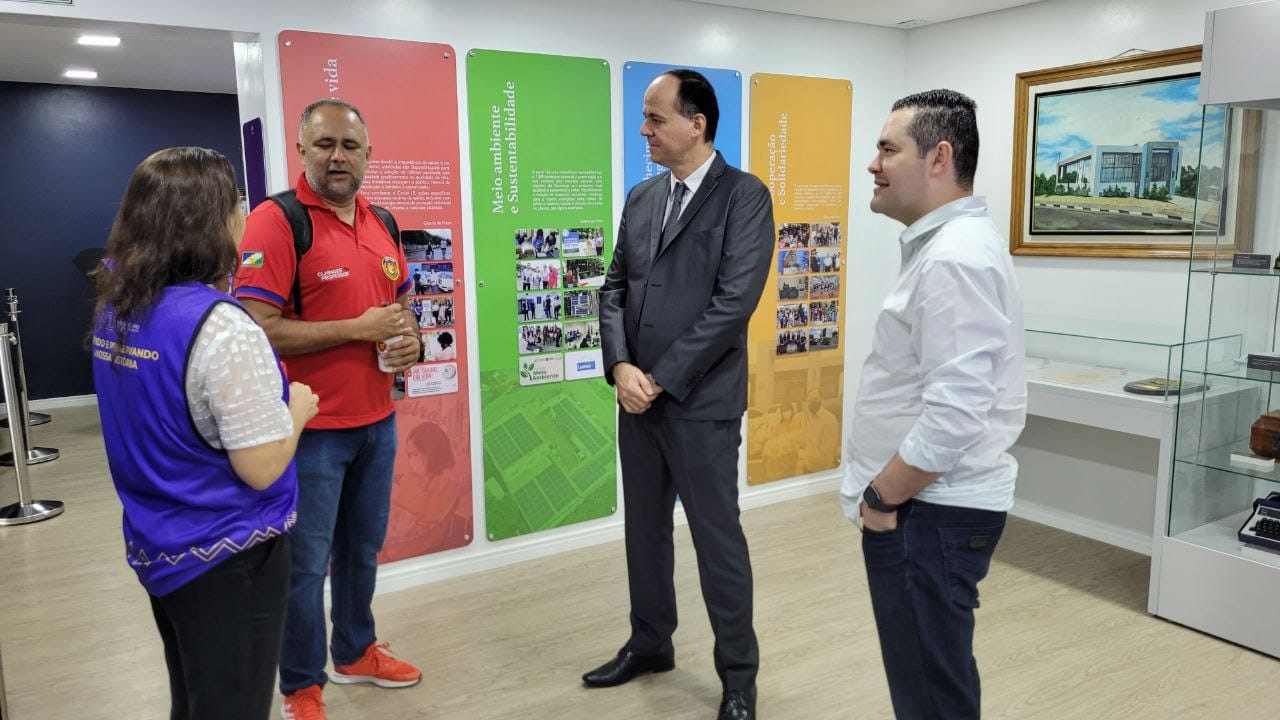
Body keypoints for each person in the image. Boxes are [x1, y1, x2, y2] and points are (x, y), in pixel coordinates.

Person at [90, 147, 319, 720]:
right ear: (209, 219)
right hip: (228, 554)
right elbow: (261, 467)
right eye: (236, 203)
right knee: (233, 703)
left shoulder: (119, 306)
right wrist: (296, 410)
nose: (243, 215)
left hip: (157, 541)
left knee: (195, 697)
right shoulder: (222, 326)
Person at [591, 69, 773, 720]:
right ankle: (650, 643)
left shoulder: (744, 197)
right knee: (644, 534)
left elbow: (732, 305)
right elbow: (613, 288)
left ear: (697, 124)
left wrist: (659, 376)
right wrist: (619, 368)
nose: (645, 129)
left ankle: (739, 679)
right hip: (636, 400)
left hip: (700, 404)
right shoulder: (642, 198)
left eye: (656, 118)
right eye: (645, 118)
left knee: (717, 540)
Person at [235, 99, 424, 720]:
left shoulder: (383, 221)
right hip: (310, 431)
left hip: (378, 423)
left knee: (361, 550)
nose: (338, 156)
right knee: (305, 564)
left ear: (369, 154)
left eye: (350, 145)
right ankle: (301, 685)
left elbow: (401, 310)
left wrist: (410, 340)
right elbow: (258, 327)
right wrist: (356, 328)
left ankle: (355, 651)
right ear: (302, 151)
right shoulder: (277, 221)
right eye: (325, 146)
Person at [845, 89, 1026, 720]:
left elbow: (955, 413)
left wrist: (880, 500)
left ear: (939, 157)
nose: (873, 163)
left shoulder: (954, 258)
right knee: (929, 681)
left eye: (888, 149)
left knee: (930, 693)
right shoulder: (948, 249)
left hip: (928, 513)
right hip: (926, 511)